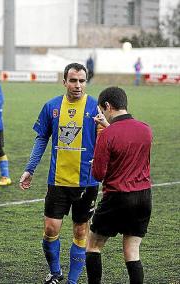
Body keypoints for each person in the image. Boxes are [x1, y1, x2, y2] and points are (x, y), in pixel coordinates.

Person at [20, 63, 102, 284]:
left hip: (87, 181)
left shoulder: (96, 108)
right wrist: (30, 168)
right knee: (50, 229)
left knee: (80, 231)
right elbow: (41, 139)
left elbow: (106, 142)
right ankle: (55, 272)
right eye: (73, 80)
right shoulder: (52, 106)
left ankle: (72, 281)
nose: (78, 85)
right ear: (64, 81)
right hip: (57, 180)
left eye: (82, 81)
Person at [86, 87, 152, 284]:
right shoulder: (145, 129)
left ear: (107, 106)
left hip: (117, 197)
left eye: (102, 110)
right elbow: (127, 144)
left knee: (94, 245)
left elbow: (98, 175)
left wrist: (95, 162)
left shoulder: (107, 135)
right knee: (132, 251)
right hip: (143, 197)